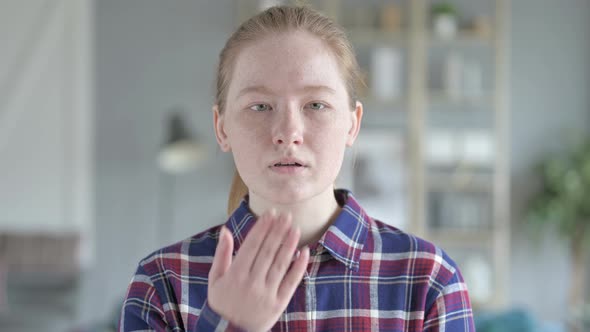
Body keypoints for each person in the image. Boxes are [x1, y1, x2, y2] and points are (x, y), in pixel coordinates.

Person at [119, 5, 474, 332]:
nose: (288, 133)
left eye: (316, 104)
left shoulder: (429, 280)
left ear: (353, 124)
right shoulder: (162, 283)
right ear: (221, 127)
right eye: (259, 106)